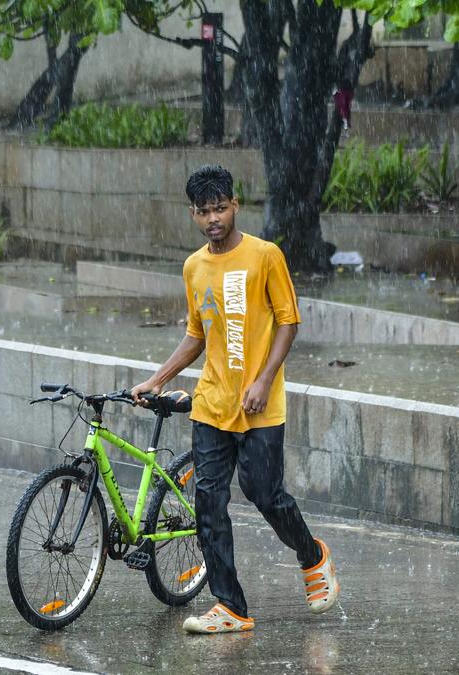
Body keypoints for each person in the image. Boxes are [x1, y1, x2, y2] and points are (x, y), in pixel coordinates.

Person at [130, 164, 340, 635]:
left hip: (261, 405)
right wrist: (159, 379)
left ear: (235, 205)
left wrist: (264, 380)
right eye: (204, 212)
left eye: (220, 208)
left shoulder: (265, 256)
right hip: (211, 403)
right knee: (208, 502)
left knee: (265, 494)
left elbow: (288, 322)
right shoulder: (193, 266)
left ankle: (313, 555)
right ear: (193, 214)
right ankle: (231, 606)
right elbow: (195, 335)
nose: (213, 220)